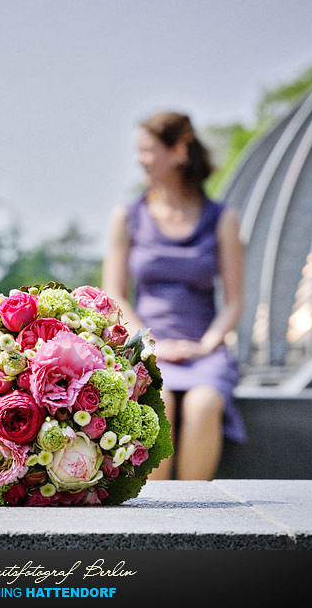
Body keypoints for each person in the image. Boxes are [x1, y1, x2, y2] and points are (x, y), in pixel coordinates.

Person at [103, 111, 246, 480]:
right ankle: (158, 522)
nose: (140, 160)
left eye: (148, 150)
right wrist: (150, 344)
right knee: (158, 404)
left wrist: (208, 344)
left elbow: (233, 301)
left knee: (203, 404)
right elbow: (114, 294)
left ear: (179, 151)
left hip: (205, 350)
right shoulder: (127, 216)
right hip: (148, 347)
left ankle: (195, 522)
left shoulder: (222, 218)